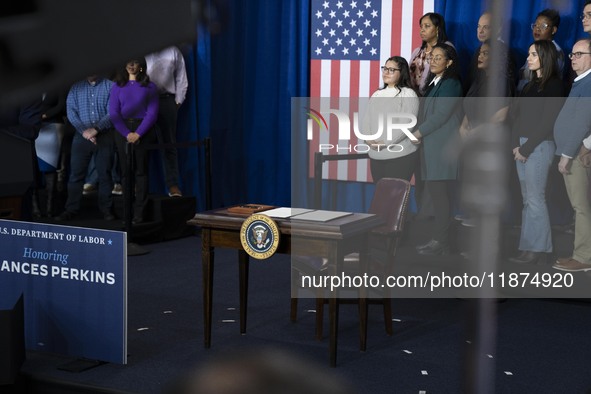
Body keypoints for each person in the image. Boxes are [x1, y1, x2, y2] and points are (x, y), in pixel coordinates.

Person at [508, 40, 564, 265]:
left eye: (533, 54)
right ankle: (528, 247)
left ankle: (538, 249)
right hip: (522, 146)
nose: (529, 58)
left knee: (535, 198)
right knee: (527, 199)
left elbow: (548, 122)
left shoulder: (554, 85)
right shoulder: (530, 85)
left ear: (545, 57)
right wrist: (516, 145)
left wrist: (526, 148)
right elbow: (517, 117)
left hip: (538, 146)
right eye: (529, 53)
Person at [412, 43, 463, 256]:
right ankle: (440, 241)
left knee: (440, 197)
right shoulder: (435, 81)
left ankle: (441, 242)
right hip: (431, 146)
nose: (432, 60)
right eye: (432, 57)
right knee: (436, 195)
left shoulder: (451, 84)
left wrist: (418, 133)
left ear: (449, 62)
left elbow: (441, 116)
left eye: (438, 57)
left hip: (442, 147)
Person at [552, 39, 591, 272]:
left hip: (575, 153)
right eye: (572, 54)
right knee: (581, 206)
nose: (573, 58)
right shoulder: (582, 81)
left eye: (579, 54)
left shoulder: (588, 83)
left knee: (581, 207)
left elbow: (582, 121)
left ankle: (584, 257)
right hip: (574, 150)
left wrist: (567, 154)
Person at [55, 76, 115, 221]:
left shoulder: (110, 86)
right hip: (81, 137)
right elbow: (71, 113)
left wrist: (96, 129)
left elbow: (113, 111)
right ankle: (71, 209)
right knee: (76, 175)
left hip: (104, 136)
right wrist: (85, 132)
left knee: (105, 175)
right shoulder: (76, 88)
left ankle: (106, 210)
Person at [109, 59, 159, 224]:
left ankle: (139, 214)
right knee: (125, 173)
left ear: (141, 66)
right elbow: (114, 113)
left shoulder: (150, 87)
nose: (131, 65)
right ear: (124, 65)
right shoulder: (117, 86)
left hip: (142, 130)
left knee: (141, 172)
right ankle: (127, 213)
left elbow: (152, 114)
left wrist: (138, 133)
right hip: (122, 129)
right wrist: (126, 133)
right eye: (128, 62)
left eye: (135, 62)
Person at [361, 56, 419, 183]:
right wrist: (369, 140)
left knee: (395, 199)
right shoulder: (377, 94)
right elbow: (367, 120)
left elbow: (407, 124)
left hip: (400, 156)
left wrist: (384, 143)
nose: (386, 72)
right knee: (382, 198)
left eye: (391, 70)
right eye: (385, 68)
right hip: (376, 156)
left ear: (402, 72)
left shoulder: (408, 93)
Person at [145, 46, 188, 197]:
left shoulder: (174, 51)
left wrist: (177, 102)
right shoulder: (140, 48)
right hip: (143, 100)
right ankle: (138, 187)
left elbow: (181, 79)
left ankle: (173, 186)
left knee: (169, 145)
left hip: (166, 100)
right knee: (140, 143)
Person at [516, 9, 564, 93]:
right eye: (535, 25)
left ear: (553, 30)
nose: (537, 29)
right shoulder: (533, 48)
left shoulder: (556, 52)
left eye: (543, 26)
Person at [409, 13, 454, 96]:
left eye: (427, 26)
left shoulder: (446, 47)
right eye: (421, 26)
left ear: (437, 29)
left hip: (434, 96)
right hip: (413, 97)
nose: (422, 30)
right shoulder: (417, 51)